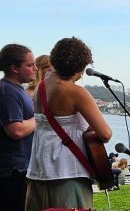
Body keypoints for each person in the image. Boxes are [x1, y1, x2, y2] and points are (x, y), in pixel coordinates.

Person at [25, 37, 112, 210]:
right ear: (80, 67)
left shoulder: (41, 88)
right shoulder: (76, 92)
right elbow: (105, 134)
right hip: (67, 173)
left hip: (38, 172)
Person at [0, 44, 37, 211]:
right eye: (30, 65)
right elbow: (15, 130)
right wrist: (40, 119)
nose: (35, 69)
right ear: (14, 68)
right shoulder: (7, 91)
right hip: (12, 172)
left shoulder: (17, 90)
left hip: (20, 168)